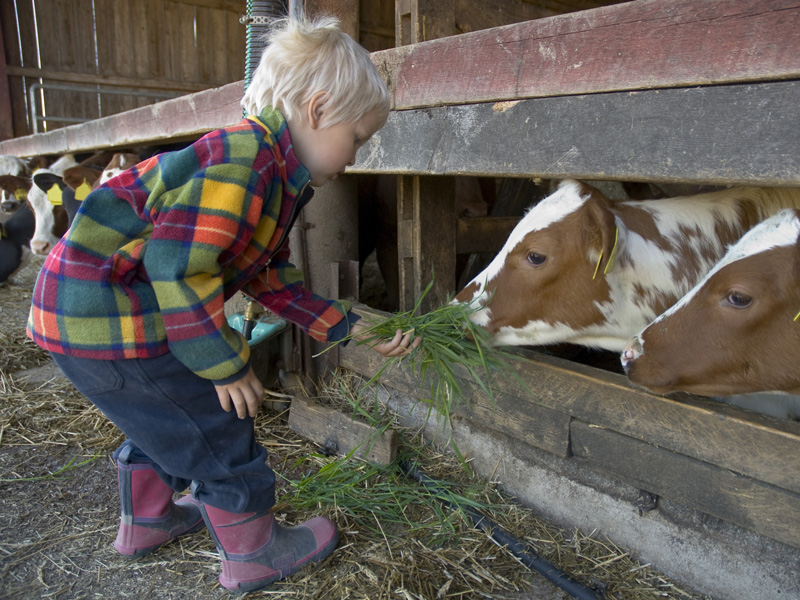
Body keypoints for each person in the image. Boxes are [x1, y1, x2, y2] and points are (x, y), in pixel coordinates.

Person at [27, 14, 416, 594]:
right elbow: (176, 266)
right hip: (104, 318)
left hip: (94, 316)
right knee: (217, 421)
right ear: (316, 110)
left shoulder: (273, 179)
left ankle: (150, 520)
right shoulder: (243, 163)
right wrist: (225, 363)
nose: (355, 157)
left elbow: (272, 282)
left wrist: (347, 328)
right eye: (357, 137)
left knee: (165, 415)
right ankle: (254, 551)